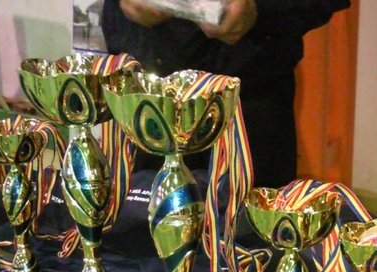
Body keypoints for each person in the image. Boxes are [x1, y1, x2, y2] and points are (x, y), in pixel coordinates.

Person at [102, 0, 350, 188]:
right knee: (138, 234)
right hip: (144, 94)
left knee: (250, 235)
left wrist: (261, 7)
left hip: (249, 104)